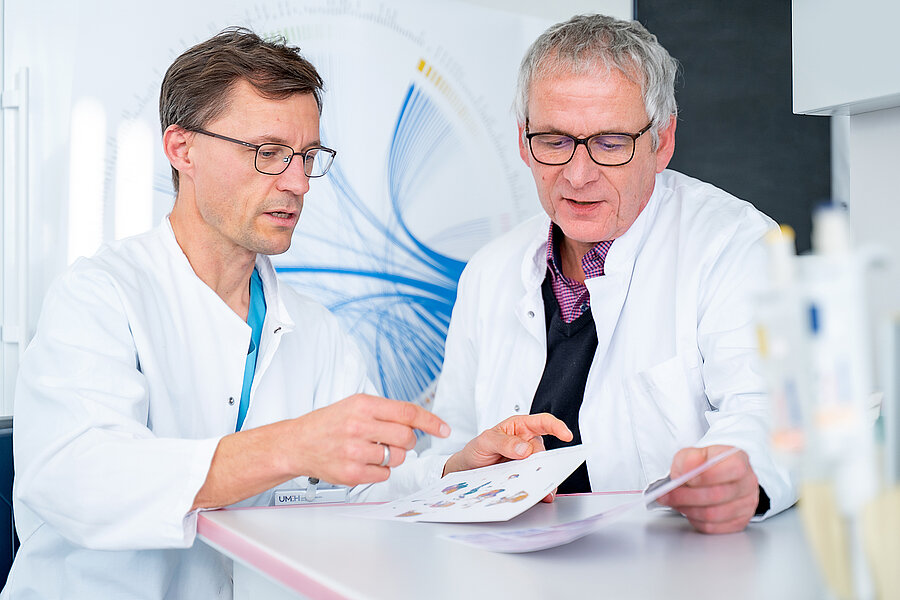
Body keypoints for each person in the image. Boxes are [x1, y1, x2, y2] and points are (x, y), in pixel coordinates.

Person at [3, 28, 569, 598]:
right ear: (182, 149)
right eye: (268, 153)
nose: (298, 183)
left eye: (307, 157)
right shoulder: (100, 296)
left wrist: (459, 474)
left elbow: (367, 493)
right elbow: (76, 477)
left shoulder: (316, 332)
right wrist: (289, 447)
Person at [418, 14, 795, 534]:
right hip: (513, 564)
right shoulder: (489, 271)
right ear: (524, 142)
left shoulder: (734, 246)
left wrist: (738, 477)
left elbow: (769, 413)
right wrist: (461, 470)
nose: (578, 175)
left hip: (676, 563)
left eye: (611, 143)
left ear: (663, 141)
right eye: (555, 141)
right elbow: (451, 445)